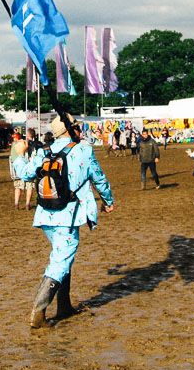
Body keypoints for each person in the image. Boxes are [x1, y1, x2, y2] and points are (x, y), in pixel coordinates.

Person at [13, 113, 115, 329]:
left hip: (45, 213)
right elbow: (99, 178)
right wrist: (108, 201)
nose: (80, 130)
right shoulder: (83, 150)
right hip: (68, 215)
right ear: (71, 130)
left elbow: (24, 174)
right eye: (77, 127)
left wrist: (20, 154)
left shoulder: (44, 151)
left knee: (62, 255)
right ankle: (38, 312)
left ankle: (64, 305)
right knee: (61, 260)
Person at [9, 132, 33, 209]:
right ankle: (27, 204)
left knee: (18, 187)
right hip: (26, 169)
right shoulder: (23, 145)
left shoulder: (14, 146)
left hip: (17, 170)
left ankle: (17, 203)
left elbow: (11, 160)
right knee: (29, 186)